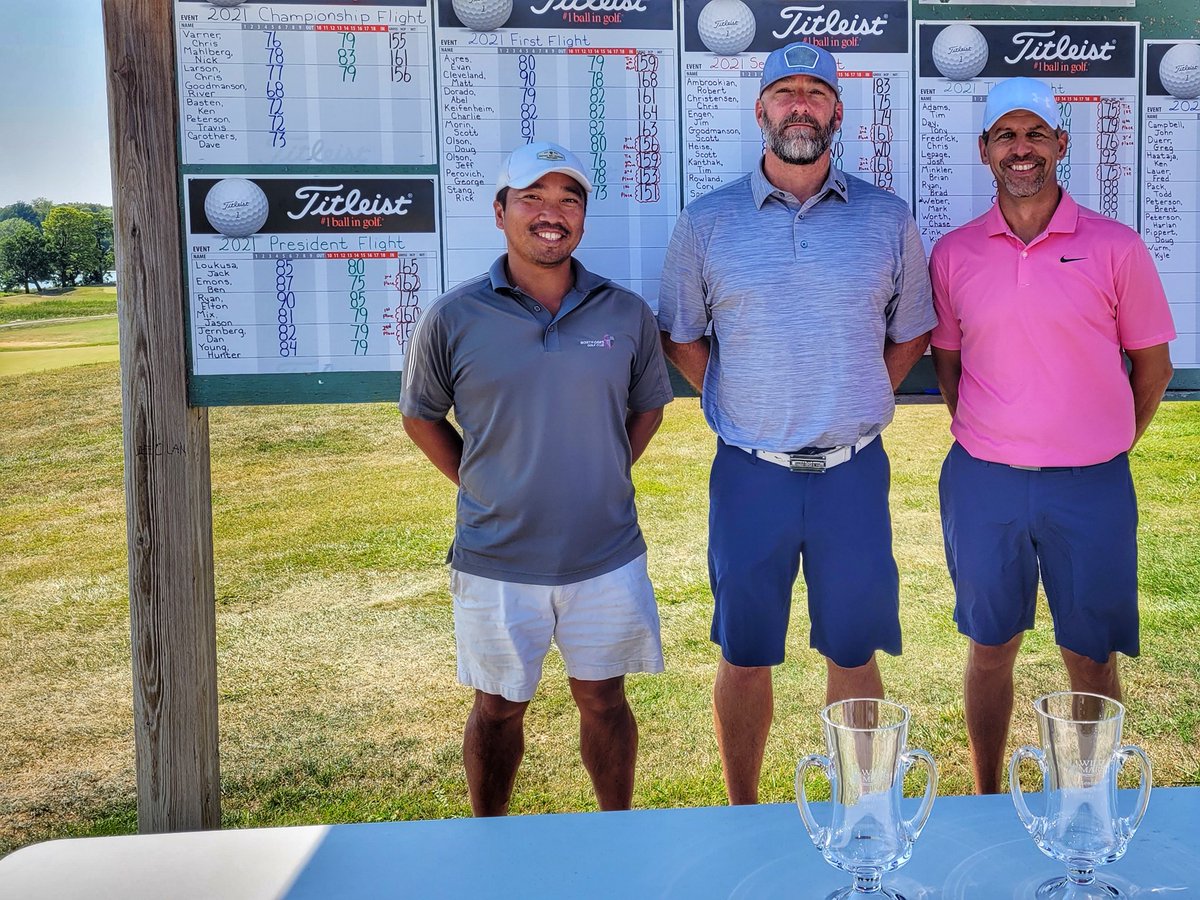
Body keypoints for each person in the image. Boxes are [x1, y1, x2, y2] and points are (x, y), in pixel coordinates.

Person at [657, 42, 936, 805]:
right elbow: (681, 334)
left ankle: (864, 814)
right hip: (752, 475)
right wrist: (742, 399)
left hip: (852, 472)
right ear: (761, 110)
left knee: (853, 647)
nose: (801, 105)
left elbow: (912, 329)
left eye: (817, 92)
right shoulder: (707, 221)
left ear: (838, 110)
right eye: (786, 93)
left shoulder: (885, 217)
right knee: (745, 652)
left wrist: (858, 393)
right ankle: (742, 811)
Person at [400, 141, 673, 815]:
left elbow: (648, 409)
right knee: (496, 708)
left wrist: (601, 471)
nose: (551, 214)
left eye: (568, 200)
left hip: (604, 553)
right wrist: (484, 482)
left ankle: (618, 831)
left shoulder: (625, 313)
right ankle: (488, 838)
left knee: (605, 698)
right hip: (497, 558)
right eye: (532, 198)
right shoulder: (453, 317)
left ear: (582, 218)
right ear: (500, 212)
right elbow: (421, 416)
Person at [929, 77, 1176, 794]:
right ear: (985, 151)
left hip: (1091, 485)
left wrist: (1103, 440)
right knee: (989, 647)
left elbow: (1153, 367)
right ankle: (984, 792)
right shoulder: (954, 254)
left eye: (1036, 134)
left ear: (1061, 144)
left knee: (1091, 656)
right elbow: (950, 365)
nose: (1021, 149)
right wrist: (998, 431)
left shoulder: (1116, 247)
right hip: (985, 481)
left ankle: (1092, 802)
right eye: (1006, 135)